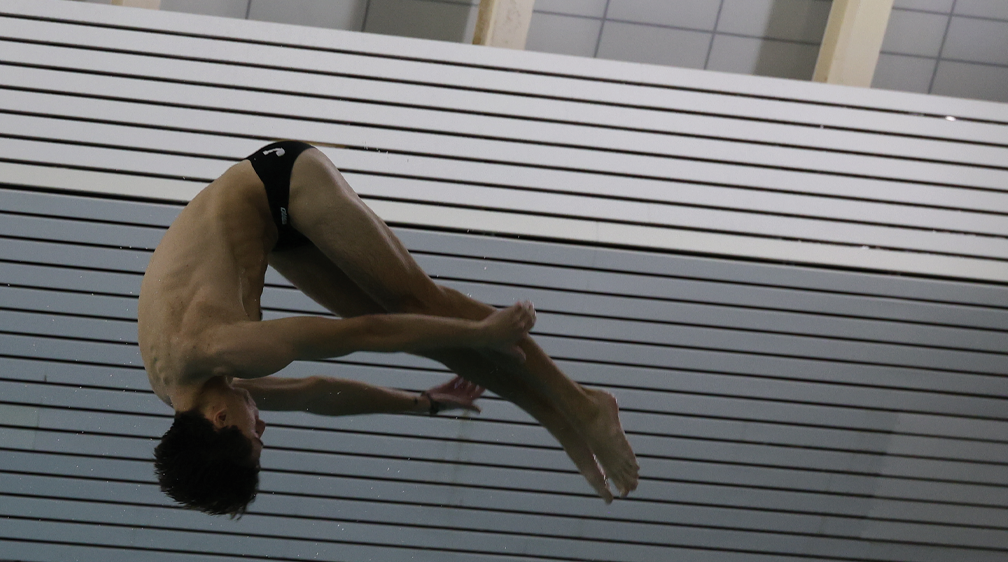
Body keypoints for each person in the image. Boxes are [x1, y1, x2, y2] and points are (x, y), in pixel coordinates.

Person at [136, 141, 640, 517]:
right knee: (432, 335)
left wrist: (483, 333)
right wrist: (422, 404)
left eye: (256, 437)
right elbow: (320, 393)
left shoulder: (219, 349)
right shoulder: (186, 390)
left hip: (282, 181)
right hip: (274, 234)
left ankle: (583, 405)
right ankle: (555, 415)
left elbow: (367, 335)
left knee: (415, 301)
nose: (264, 426)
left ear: (221, 421)